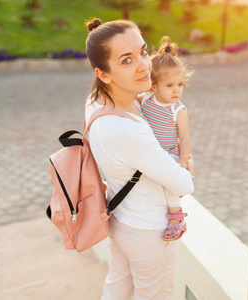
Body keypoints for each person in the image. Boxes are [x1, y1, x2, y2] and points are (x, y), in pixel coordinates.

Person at [84, 18, 194, 300]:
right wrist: (187, 165)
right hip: (149, 232)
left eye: (143, 52)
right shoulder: (128, 129)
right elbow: (183, 184)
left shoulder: (96, 102)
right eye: (126, 60)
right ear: (103, 73)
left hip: (119, 218)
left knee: (117, 288)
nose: (144, 65)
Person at [138, 36, 194, 241]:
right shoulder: (146, 100)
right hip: (149, 152)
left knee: (170, 182)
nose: (176, 90)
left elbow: (185, 137)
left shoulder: (178, 110)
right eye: (170, 85)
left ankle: (176, 217)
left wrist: (183, 160)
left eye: (180, 84)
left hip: (169, 154)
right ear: (154, 86)